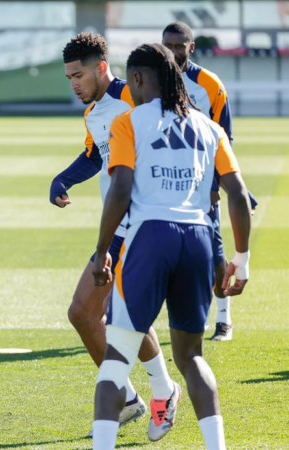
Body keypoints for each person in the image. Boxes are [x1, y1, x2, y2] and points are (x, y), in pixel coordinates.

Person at [91, 43, 251, 450]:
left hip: (150, 238)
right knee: (192, 357)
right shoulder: (209, 127)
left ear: (140, 79)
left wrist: (101, 251)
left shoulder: (129, 121)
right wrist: (239, 260)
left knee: (116, 359)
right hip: (197, 239)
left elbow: (121, 188)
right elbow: (236, 193)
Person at [50, 32, 178, 440]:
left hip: (142, 225)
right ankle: (129, 399)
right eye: (68, 76)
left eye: (78, 75)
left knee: (121, 315)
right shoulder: (94, 113)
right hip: (119, 228)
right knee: (85, 314)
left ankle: (162, 390)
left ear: (102, 68)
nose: (73, 84)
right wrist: (63, 179)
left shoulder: (134, 99)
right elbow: (94, 154)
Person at [162, 21, 258, 341]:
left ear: (191, 47)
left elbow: (223, 138)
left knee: (214, 252)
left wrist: (216, 184)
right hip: (167, 180)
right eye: (168, 45)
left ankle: (223, 319)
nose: (173, 51)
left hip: (204, 182)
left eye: (179, 45)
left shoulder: (209, 83)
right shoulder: (153, 79)